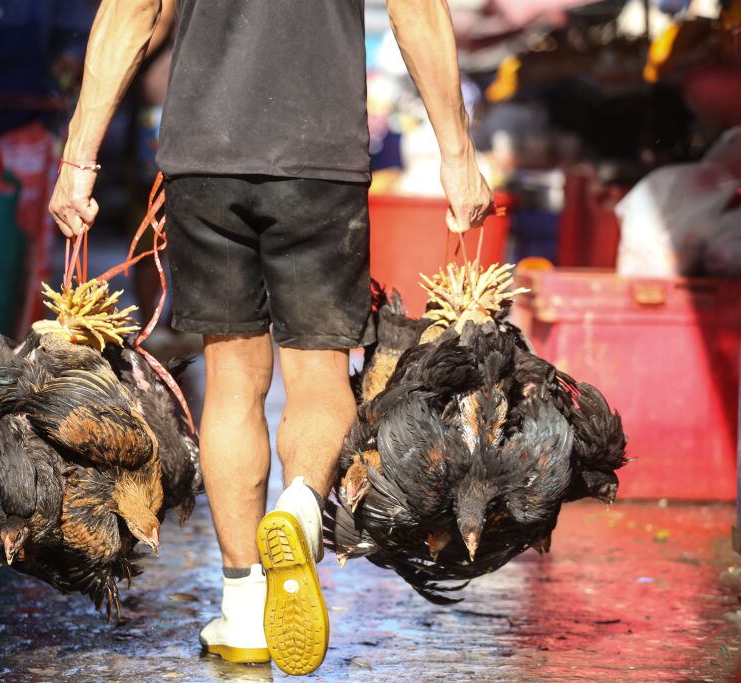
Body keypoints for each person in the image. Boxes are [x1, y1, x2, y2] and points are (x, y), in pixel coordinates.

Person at [48, 0, 492, 675]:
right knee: (315, 379)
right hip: (318, 159)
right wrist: (457, 154)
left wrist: (79, 156)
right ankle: (302, 506)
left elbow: (133, 10)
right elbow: (417, 12)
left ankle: (245, 608)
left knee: (231, 385)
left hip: (204, 156)